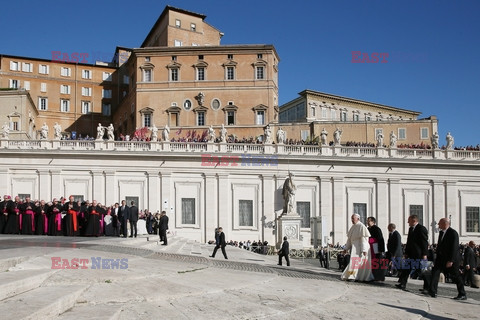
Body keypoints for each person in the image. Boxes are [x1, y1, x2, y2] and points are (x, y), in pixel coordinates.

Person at [428, 218, 466, 300]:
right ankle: (432, 291)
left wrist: (451, 260)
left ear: (445, 223)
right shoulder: (441, 233)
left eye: (439, 223)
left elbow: (454, 248)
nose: (438, 225)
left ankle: (462, 293)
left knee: (455, 276)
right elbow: (440, 246)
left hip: (450, 259)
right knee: (435, 273)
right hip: (441, 258)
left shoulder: (453, 233)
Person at [396, 215, 429, 291]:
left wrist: (424, 254)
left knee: (424, 271)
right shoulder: (411, 229)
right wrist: (406, 252)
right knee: (406, 269)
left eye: (409, 220)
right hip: (411, 254)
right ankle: (402, 284)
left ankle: (427, 287)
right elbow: (409, 242)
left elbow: (424, 242)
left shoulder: (421, 229)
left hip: (419, 254)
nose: (408, 222)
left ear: (414, 221)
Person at [341, 214, 374, 282]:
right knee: (354, 262)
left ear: (358, 219)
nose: (352, 220)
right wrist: (346, 248)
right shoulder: (353, 227)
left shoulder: (361, 226)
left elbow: (364, 239)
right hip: (355, 248)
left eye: (353, 218)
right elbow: (349, 239)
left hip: (360, 248)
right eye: (351, 218)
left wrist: (364, 249)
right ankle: (352, 275)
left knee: (359, 264)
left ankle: (357, 276)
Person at [367, 217, 386, 281]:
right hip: (369, 247)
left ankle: (378, 276)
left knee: (377, 262)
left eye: (369, 221)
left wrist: (381, 250)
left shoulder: (377, 229)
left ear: (373, 222)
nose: (367, 222)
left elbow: (381, 239)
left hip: (375, 247)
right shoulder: (367, 229)